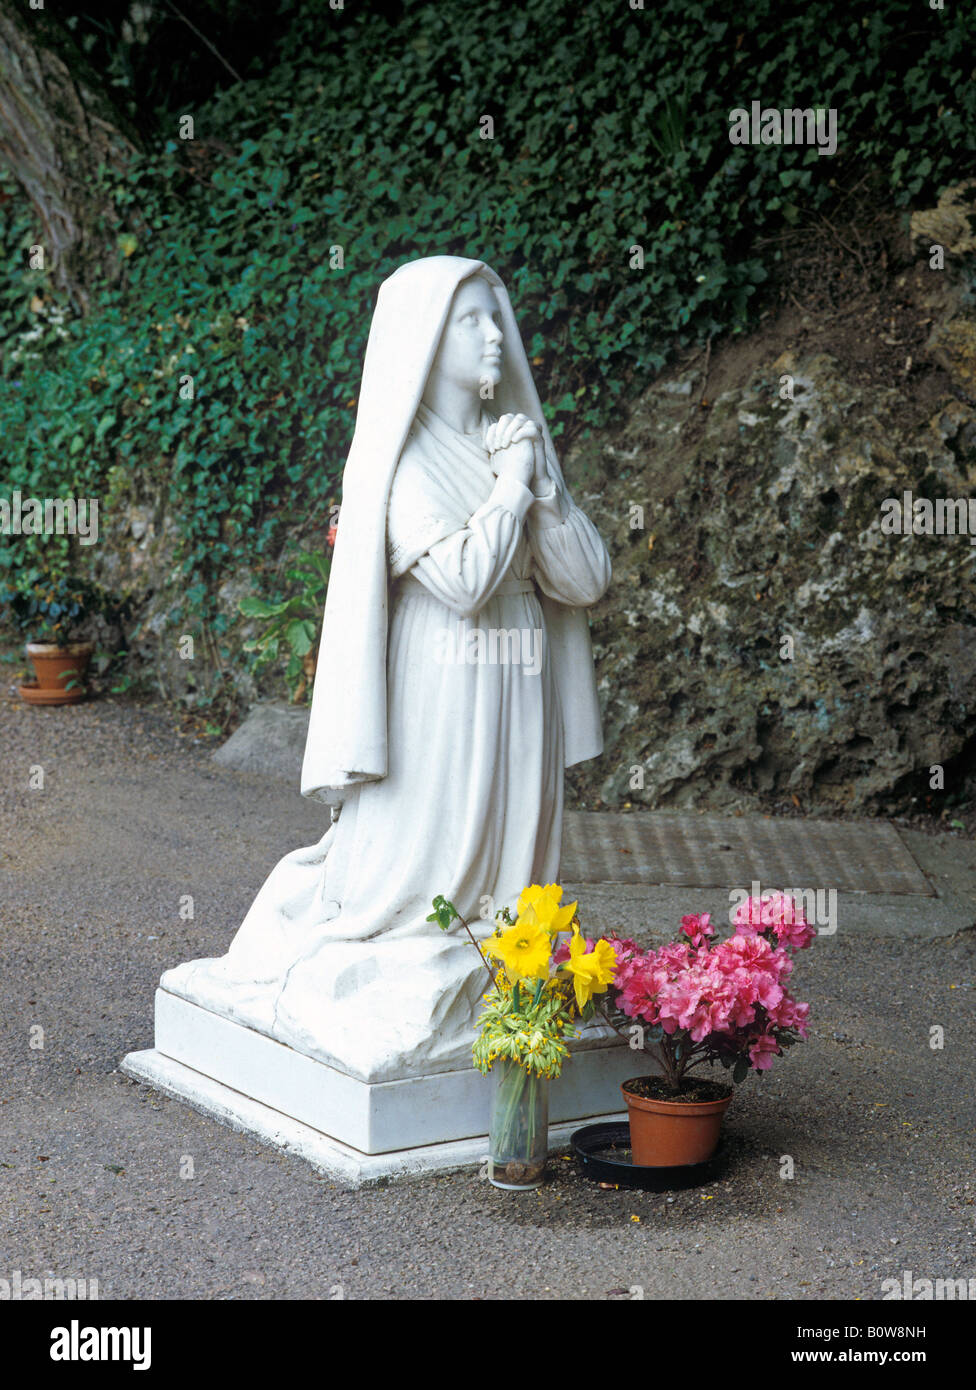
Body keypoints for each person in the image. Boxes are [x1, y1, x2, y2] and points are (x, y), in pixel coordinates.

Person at [162, 256, 611, 1082]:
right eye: (471, 320)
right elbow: (468, 581)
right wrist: (513, 486)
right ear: (423, 339)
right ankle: (432, 936)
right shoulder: (398, 466)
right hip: (442, 681)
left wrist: (541, 487)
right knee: (434, 846)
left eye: (495, 317)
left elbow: (584, 580)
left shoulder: (510, 437)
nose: (494, 336)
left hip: (519, 673)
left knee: (514, 840)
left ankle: (509, 953)